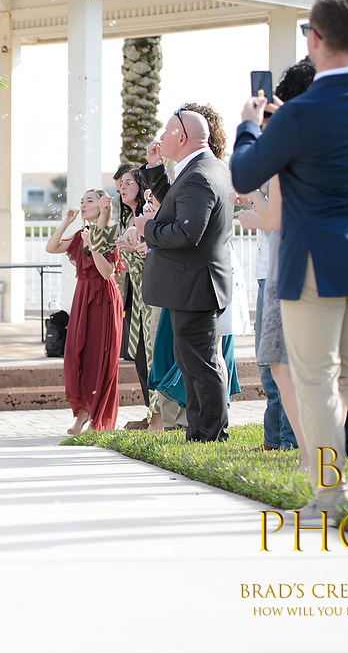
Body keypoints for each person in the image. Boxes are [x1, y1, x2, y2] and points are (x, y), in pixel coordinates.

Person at [232, 0, 348, 521]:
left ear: (314, 38)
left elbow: (244, 173)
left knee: (315, 379)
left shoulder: (299, 114)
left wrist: (251, 126)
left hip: (314, 260)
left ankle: (331, 495)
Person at [134, 107, 235, 443]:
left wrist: (147, 228)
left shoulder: (199, 175)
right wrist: (155, 170)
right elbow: (178, 207)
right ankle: (201, 432)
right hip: (195, 283)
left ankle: (210, 435)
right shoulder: (205, 168)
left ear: (182, 137)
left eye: (167, 131)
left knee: (200, 364)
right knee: (191, 361)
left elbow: (186, 232)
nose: (161, 137)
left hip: (195, 285)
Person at [235, 59, 317, 468]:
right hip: (322, 264)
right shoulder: (338, 134)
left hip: (291, 265)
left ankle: (303, 451)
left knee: (282, 365)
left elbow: (269, 208)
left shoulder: (294, 144)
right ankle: (309, 449)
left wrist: (249, 128)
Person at [45, 190, 123, 435]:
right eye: (82, 201)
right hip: (83, 295)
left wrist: (94, 246)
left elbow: (107, 272)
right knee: (77, 353)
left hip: (103, 297)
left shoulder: (109, 233)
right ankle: (81, 413)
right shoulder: (81, 234)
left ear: (102, 206)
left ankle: (96, 416)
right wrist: (66, 222)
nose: (83, 204)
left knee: (99, 356)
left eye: (90, 200)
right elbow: (51, 247)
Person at [107, 163, 158, 430]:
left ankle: (159, 416)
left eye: (128, 182)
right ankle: (151, 412)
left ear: (141, 184)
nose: (123, 188)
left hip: (149, 294)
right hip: (134, 294)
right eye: (120, 185)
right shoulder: (127, 218)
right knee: (139, 355)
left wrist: (137, 250)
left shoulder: (147, 215)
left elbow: (150, 252)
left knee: (149, 353)